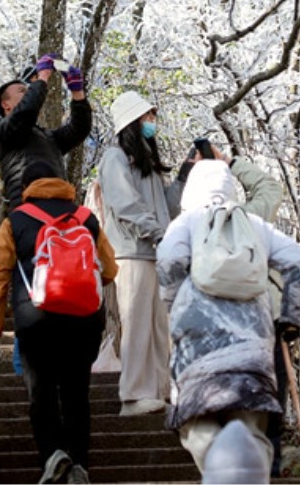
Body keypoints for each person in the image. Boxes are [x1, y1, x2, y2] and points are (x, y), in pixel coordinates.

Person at [155, 160, 300, 473]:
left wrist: (175, 300)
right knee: (250, 422)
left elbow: (170, 258)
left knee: (196, 419)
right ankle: (247, 471)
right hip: (252, 336)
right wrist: (292, 314)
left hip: (196, 338)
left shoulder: (187, 222)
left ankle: (220, 467)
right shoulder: (254, 224)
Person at [0, 161, 118, 484]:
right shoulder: (86, 218)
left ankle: (53, 455)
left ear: (27, 187)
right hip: (85, 319)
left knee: (41, 391)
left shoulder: (15, 221)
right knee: (76, 393)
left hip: (36, 318)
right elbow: (110, 269)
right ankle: (80, 463)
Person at [97, 90, 182, 416]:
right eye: (147, 116)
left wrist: (184, 177)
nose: (152, 121)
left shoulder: (147, 162)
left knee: (158, 326)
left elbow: (166, 208)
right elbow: (124, 204)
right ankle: (133, 394)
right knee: (136, 323)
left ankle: (158, 391)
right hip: (132, 252)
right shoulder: (115, 157)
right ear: (132, 122)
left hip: (154, 252)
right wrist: (157, 232)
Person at [0, 54, 91, 211]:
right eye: (22, 91)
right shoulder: (4, 131)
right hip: (27, 208)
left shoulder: (48, 136)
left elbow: (79, 129)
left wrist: (77, 94)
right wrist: (43, 76)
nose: (29, 92)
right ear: (6, 105)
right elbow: (27, 110)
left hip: (59, 204)